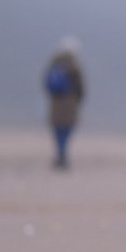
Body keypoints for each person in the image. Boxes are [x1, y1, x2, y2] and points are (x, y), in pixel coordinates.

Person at [43, 36, 85, 170]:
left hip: (56, 104)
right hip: (69, 104)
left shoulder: (54, 64)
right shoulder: (74, 66)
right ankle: (62, 155)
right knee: (66, 131)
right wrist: (78, 99)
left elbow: (45, 83)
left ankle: (60, 154)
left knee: (58, 131)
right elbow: (80, 88)